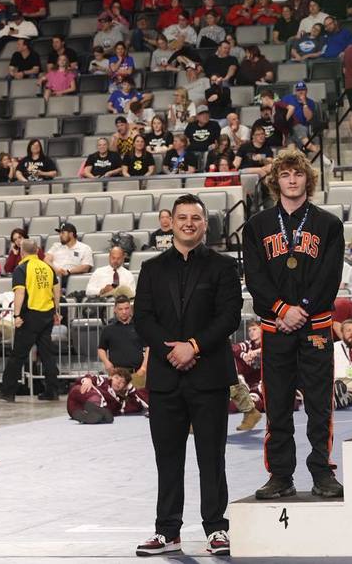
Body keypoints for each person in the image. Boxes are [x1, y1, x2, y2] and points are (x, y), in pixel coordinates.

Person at [132, 194, 241, 557]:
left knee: (212, 456)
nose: (189, 223)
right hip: (165, 378)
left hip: (208, 374)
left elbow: (228, 317)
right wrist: (170, 351)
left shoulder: (224, 267)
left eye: (196, 217)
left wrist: (192, 346)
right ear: (171, 222)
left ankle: (216, 529)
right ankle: (168, 531)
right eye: (183, 217)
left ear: (205, 224)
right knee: (168, 456)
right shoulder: (151, 268)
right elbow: (143, 318)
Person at [242, 150, 345, 501]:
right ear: (276, 180)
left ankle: (322, 472)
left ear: (307, 179)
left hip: (314, 326)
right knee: (278, 405)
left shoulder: (328, 225)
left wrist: (298, 309)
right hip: (275, 328)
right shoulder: (257, 226)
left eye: (297, 174)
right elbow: (254, 277)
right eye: (285, 174)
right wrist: (281, 309)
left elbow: (329, 277)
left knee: (320, 404)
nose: (291, 179)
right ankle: (281, 476)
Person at [0, 240, 61, 403]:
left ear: (22, 252)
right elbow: (56, 289)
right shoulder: (48, 267)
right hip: (47, 314)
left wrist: (16, 315)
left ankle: (7, 391)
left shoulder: (22, 268)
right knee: (47, 354)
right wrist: (56, 311)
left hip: (29, 316)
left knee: (18, 355)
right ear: (38, 251)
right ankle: (52, 390)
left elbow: (20, 293)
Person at [97, 296, 148, 387]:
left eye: (126, 308)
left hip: (136, 374)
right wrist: (106, 362)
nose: (124, 312)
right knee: (115, 401)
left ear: (130, 309)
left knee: (137, 400)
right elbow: (101, 348)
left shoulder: (139, 327)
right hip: (116, 375)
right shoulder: (108, 329)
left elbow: (149, 347)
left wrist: (143, 368)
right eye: (120, 309)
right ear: (115, 310)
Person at [66, 368, 148, 424]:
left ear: (125, 387)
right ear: (111, 377)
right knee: (88, 390)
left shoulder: (120, 402)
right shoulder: (103, 382)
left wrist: (131, 389)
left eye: (122, 382)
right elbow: (89, 378)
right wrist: (87, 380)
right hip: (79, 395)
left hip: (77, 408)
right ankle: (99, 409)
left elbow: (139, 404)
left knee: (85, 412)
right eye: (116, 378)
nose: (118, 382)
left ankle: (85, 416)